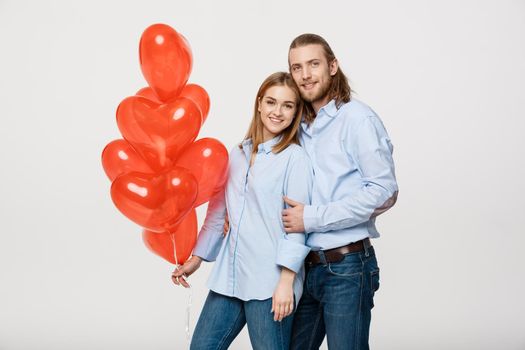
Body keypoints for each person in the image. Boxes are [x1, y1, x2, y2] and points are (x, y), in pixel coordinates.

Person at [172, 72, 314, 350]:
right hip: (230, 277)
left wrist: (287, 281)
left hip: (270, 283)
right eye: (271, 102)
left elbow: (297, 226)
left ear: (296, 111)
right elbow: (216, 214)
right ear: (259, 103)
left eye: (288, 105)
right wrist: (197, 258)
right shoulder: (235, 154)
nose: (277, 112)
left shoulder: (295, 159)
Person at [281, 34, 399, 350]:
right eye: (297, 67)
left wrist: (312, 217)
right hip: (306, 268)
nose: (305, 75)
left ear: (333, 66)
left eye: (314, 64)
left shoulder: (358, 119)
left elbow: (384, 190)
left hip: (347, 267)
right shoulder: (298, 126)